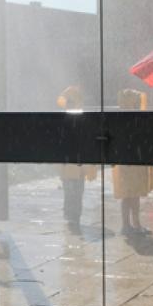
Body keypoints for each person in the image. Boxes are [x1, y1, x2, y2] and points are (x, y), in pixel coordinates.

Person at [112, 89, 153, 236]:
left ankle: (134, 224)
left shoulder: (130, 118)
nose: (139, 105)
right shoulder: (126, 119)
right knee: (128, 194)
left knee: (134, 194)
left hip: (134, 162)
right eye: (136, 102)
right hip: (129, 163)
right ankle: (127, 225)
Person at [56, 86, 98, 234]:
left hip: (77, 162)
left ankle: (74, 216)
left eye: (72, 102)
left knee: (77, 190)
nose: (69, 104)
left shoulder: (81, 119)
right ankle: (70, 215)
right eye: (69, 102)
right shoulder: (63, 119)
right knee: (70, 190)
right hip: (68, 162)